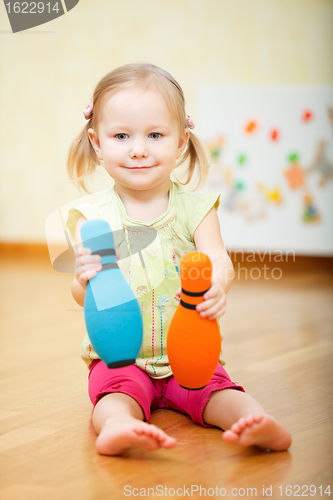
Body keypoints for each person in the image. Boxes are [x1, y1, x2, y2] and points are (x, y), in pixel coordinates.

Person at [66, 63, 291, 456]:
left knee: (219, 391)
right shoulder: (94, 218)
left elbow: (217, 259)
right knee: (115, 395)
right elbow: (84, 296)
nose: (138, 148)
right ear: (97, 142)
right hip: (121, 358)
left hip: (189, 352)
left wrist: (218, 283)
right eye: (121, 136)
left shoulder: (197, 208)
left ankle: (252, 420)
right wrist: (84, 280)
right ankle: (119, 426)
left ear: (182, 141)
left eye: (155, 135)